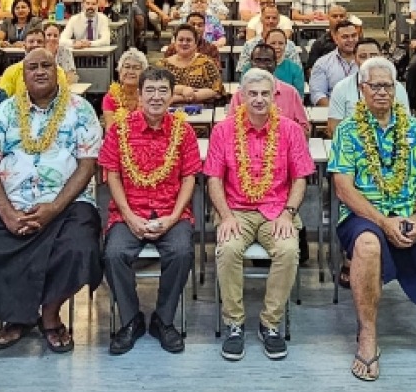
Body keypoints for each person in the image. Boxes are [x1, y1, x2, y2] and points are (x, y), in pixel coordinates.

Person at [0, 49, 102, 354]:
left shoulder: (80, 109)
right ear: (23, 73)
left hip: (68, 203)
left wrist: (54, 209)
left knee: (78, 249)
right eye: (33, 67)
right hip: (11, 201)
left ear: (57, 70)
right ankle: (18, 314)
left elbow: (87, 164)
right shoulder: (4, 111)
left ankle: (50, 315)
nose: (40, 71)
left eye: (47, 65)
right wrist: (7, 213)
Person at [330, 56, 416, 381]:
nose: (381, 92)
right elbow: (344, 189)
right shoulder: (349, 132)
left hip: (411, 213)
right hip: (364, 215)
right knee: (366, 244)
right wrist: (383, 222)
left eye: (387, 86)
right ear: (361, 89)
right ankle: (367, 336)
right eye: (374, 86)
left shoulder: (415, 130)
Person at [206, 69, 315, 361]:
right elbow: (214, 179)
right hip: (235, 210)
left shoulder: (290, 129)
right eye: (252, 94)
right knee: (227, 249)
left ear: (274, 97)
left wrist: (288, 214)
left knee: (289, 249)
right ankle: (234, 323)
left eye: (265, 94)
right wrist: (225, 216)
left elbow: (301, 177)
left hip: (277, 210)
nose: (258, 99)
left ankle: (270, 324)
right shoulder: (223, 130)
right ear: (241, 97)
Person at [100, 67, 201, 355]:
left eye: (163, 91)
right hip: (128, 211)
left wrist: (173, 218)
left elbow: (189, 177)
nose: (156, 97)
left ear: (172, 96)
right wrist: (129, 216)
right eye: (150, 91)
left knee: (182, 253)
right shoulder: (119, 129)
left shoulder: (185, 131)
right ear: (140, 94)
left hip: (172, 211)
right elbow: (112, 175)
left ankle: (163, 319)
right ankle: (131, 320)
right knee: (114, 254)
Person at [329, 39, 409, 136]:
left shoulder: (397, 87)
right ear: (354, 59)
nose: (369, 60)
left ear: (381, 56)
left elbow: (406, 123)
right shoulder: (341, 88)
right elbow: (334, 127)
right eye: (363, 56)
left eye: (374, 56)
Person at [228, 44, 310, 136]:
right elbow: (230, 128)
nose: (262, 65)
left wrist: (284, 137)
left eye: (267, 61)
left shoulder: (291, 93)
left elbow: (304, 128)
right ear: (251, 63)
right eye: (258, 60)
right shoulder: (240, 95)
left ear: (275, 64)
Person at [0, 27, 70, 98]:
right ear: (24, 45)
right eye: (31, 41)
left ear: (45, 45)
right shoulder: (11, 71)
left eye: (39, 42)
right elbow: (3, 98)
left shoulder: (57, 71)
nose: (35, 45)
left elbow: (63, 97)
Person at [161, 25, 223, 106]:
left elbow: (216, 90)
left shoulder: (206, 63)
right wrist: (182, 90)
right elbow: (160, 89)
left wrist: (177, 98)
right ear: (174, 42)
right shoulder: (163, 65)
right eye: (181, 40)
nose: (184, 43)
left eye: (189, 40)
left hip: (203, 111)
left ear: (195, 43)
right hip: (168, 111)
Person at [310, 20, 362, 108]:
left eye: (354, 36)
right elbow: (317, 94)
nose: (351, 40)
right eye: (345, 37)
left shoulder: (368, 62)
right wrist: (335, 112)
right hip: (333, 112)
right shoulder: (323, 63)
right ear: (336, 39)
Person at [102, 49, 148, 129]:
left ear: (143, 73)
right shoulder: (110, 98)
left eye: (136, 68)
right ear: (120, 71)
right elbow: (110, 129)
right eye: (127, 67)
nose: (130, 71)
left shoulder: (148, 95)